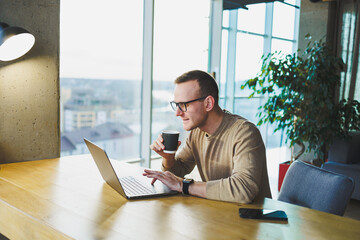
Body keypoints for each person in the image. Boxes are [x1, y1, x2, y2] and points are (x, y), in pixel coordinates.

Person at [143, 70, 272, 203]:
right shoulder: (196, 132)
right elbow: (177, 174)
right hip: (219, 213)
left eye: (184, 105)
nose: (177, 113)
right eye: (176, 105)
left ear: (208, 103)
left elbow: (243, 189)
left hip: (252, 219)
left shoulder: (245, 133)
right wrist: (168, 157)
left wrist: (184, 185)